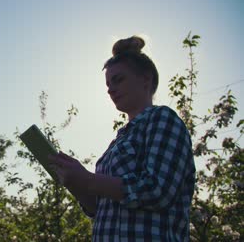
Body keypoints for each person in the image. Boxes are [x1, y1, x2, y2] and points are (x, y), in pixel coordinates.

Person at [48, 36, 196, 241]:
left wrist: (88, 180)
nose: (110, 89)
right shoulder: (117, 141)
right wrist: (75, 182)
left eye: (118, 80)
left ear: (145, 78)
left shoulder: (162, 118)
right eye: (108, 84)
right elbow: (98, 208)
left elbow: (158, 190)